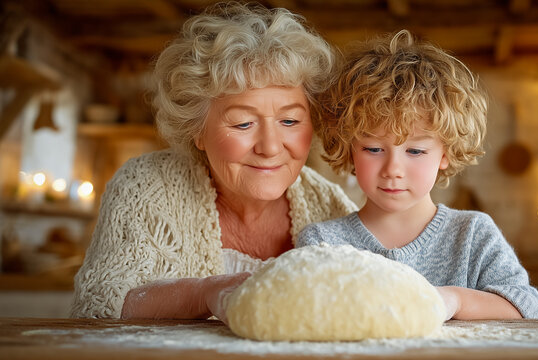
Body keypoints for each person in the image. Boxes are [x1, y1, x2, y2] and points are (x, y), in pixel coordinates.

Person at [70, 2, 357, 320]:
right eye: (243, 124)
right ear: (198, 131)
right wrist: (204, 294)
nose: (270, 147)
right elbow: (96, 306)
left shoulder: (329, 206)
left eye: (289, 121)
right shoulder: (144, 187)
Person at [297, 30, 538, 320]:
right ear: (349, 148)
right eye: (373, 149)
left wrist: (455, 300)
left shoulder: (473, 234)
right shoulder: (322, 242)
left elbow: (530, 311)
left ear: (445, 154)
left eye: (415, 151)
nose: (393, 169)